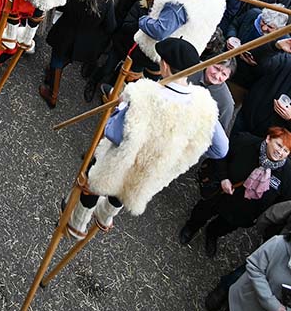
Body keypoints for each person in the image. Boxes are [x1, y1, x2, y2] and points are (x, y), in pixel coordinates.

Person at [67, 38, 227, 239]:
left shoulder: (143, 93)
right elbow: (221, 149)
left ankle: (78, 223)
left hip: (124, 159)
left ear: (165, 65)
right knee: (128, 186)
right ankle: (105, 215)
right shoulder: (205, 105)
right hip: (153, 168)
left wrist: (122, 107)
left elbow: (114, 133)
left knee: (97, 175)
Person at [180, 127, 291, 258]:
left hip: (242, 212)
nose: (280, 152)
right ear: (268, 139)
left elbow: (281, 201)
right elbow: (221, 156)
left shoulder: (287, 173)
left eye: (286, 150)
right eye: (279, 145)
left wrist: (256, 215)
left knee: (224, 227)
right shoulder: (245, 141)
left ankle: (212, 233)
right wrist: (223, 178)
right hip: (221, 194)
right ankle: (192, 227)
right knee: (203, 211)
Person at [132, 0, 226, 77]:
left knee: (132, 76)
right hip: (179, 56)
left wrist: (144, 20)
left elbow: (159, 31)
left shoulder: (178, 4)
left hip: (155, 53)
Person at [40, 0, 116, 108]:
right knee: (65, 59)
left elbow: (62, 5)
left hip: (65, 33)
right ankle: (53, 75)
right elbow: (110, 26)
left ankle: (53, 95)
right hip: (84, 41)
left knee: (57, 59)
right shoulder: (106, 1)